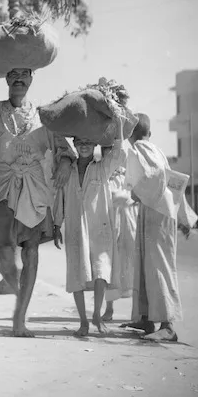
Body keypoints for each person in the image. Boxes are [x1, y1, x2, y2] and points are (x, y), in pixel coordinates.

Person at [0, 69, 75, 337]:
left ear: (31, 78)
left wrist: (65, 162)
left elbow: (65, 148)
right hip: (4, 187)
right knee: (6, 263)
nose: (19, 79)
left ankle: (20, 318)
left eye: (24, 74)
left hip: (34, 191)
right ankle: (19, 296)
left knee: (31, 253)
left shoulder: (44, 115)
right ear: (6, 79)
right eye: (13, 74)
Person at [120, 114, 196, 342]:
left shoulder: (138, 150)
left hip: (155, 212)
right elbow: (172, 182)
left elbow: (153, 178)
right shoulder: (157, 150)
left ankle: (168, 325)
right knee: (146, 265)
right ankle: (146, 318)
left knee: (158, 266)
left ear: (130, 134)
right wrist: (183, 218)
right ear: (149, 133)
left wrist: (134, 192)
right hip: (160, 211)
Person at [52, 123, 126, 337]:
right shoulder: (67, 170)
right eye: (80, 142)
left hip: (100, 226)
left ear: (95, 144)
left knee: (101, 270)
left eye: (88, 142)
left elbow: (119, 152)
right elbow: (60, 198)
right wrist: (57, 224)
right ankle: (83, 321)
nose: (84, 146)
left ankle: (97, 314)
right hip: (75, 226)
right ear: (74, 144)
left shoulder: (102, 168)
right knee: (76, 272)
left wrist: (118, 124)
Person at [101, 166, 139, 322]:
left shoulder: (131, 172)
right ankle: (109, 308)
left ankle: (138, 312)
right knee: (112, 269)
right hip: (113, 224)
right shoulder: (106, 175)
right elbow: (112, 196)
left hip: (131, 224)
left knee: (133, 267)